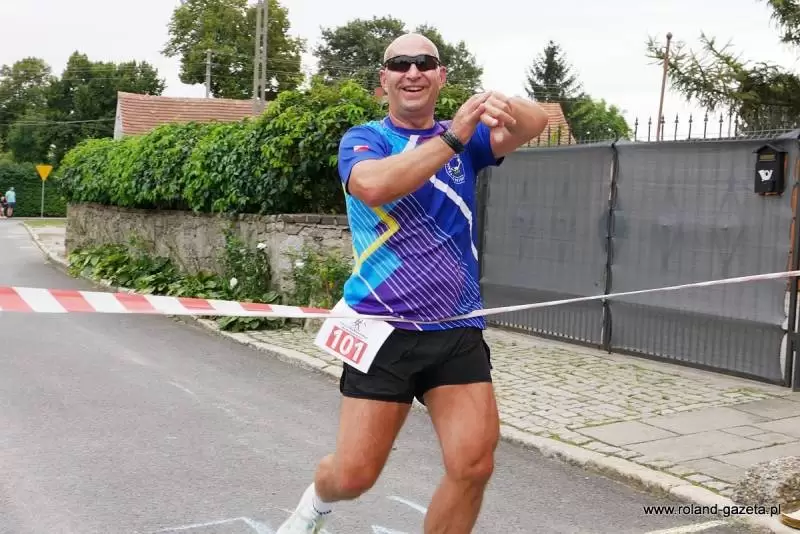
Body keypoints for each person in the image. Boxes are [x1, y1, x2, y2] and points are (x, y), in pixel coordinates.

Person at [276, 33, 548, 534]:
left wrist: (499, 102)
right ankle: (316, 502)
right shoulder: (367, 139)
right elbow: (374, 185)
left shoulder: (468, 140)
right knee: (354, 476)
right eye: (400, 64)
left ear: (441, 76)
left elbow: (536, 122)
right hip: (382, 329)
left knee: (474, 465)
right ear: (384, 81)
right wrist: (452, 139)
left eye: (425, 62)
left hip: (456, 327)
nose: (413, 72)